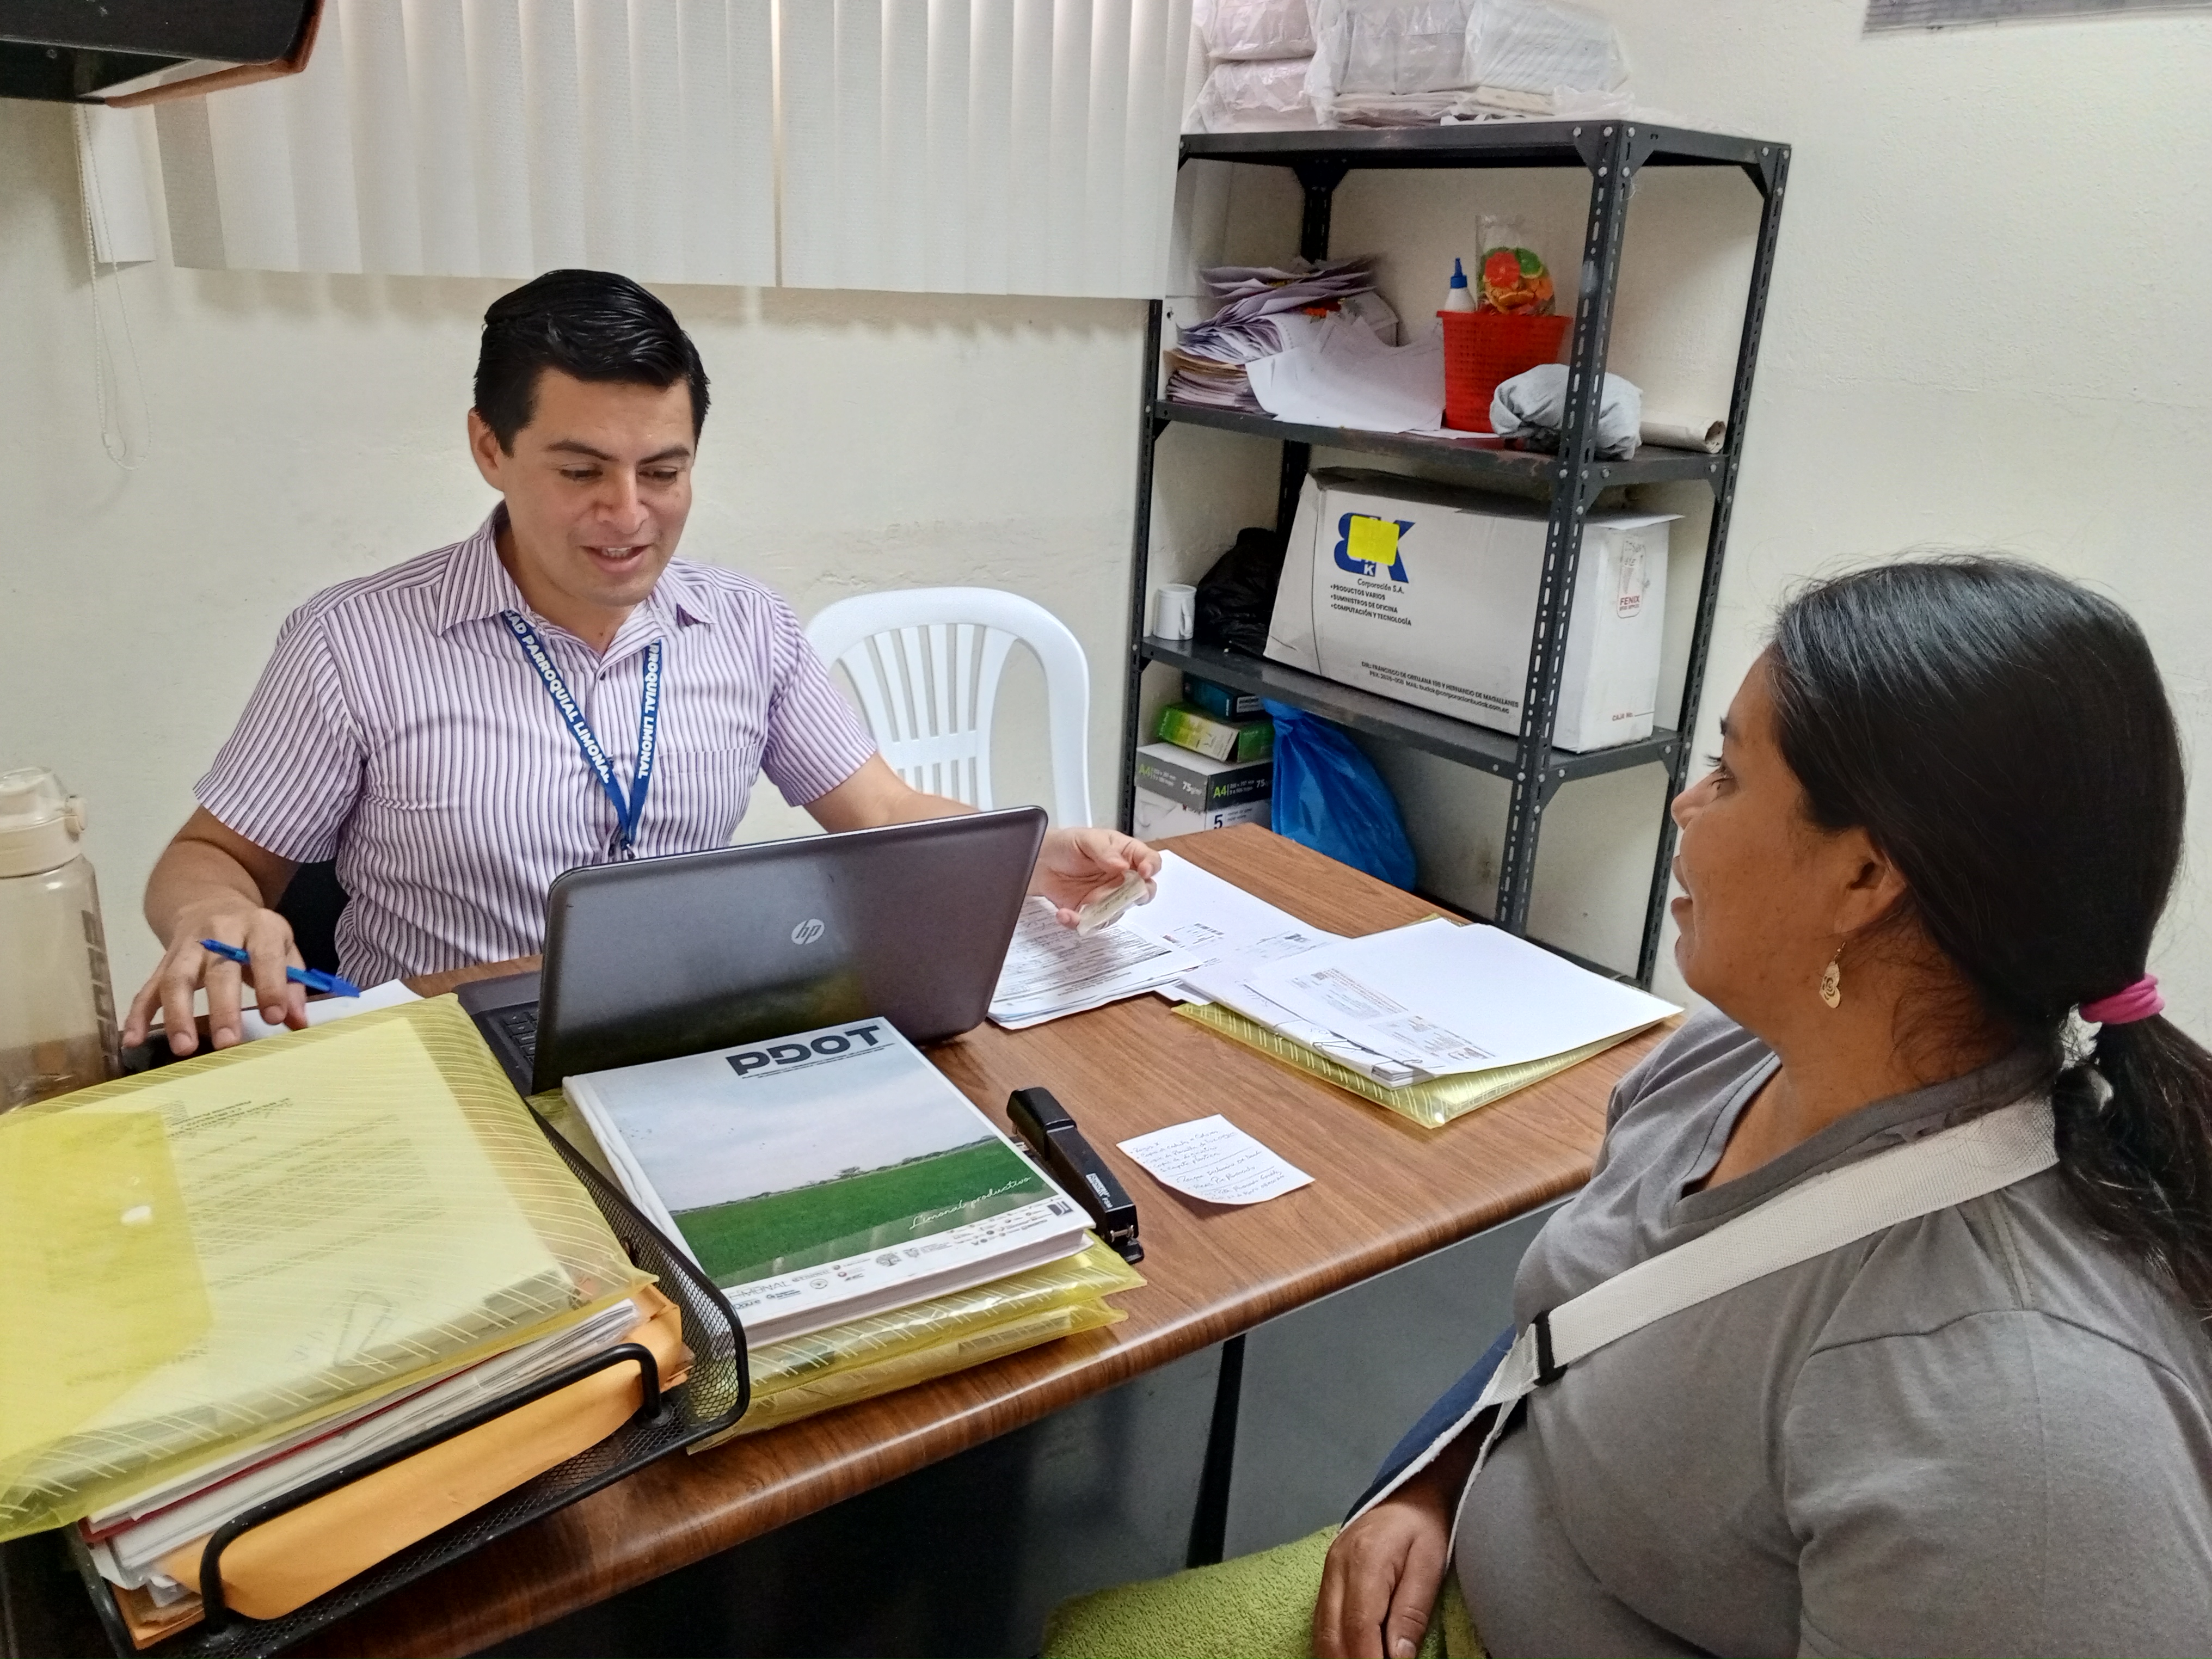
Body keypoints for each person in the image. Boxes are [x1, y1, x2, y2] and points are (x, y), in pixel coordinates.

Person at [1316, 557, 2212, 1659]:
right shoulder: (1726, 1063)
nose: (1686, 804)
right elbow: (1578, 1328)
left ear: (1865, 879)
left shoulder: (2019, 1420)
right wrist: (1435, 1482)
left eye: (1728, 775)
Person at [122, 269, 1157, 1055]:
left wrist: (1028, 857)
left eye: (663, 471)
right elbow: (208, 857)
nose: (628, 515)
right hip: (449, 1058)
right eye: (581, 471)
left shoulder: (744, 624)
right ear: (489, 449)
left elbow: (880, 811)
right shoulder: (354, 643)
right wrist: (215, 914)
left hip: (687, 1037)